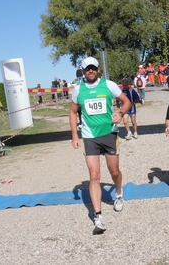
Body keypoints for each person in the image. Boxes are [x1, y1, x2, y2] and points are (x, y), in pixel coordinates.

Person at [69, 56, 132, 234]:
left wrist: (120, 113)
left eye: (93, 68)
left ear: (98, 69)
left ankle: (118, 193)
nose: (90, 71)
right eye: (87, 69)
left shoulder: (109, 85)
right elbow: (73, 113)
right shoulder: (78, 90)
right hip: (89, 136)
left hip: (109, 134)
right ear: (82, 71)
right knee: (94, 175)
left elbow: (127, 101)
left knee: (114, 172)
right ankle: (98, 217)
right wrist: (75, 135)